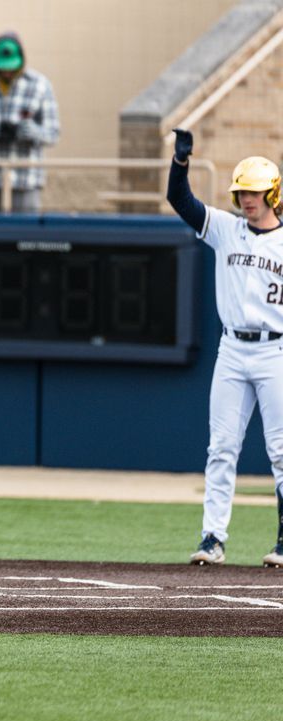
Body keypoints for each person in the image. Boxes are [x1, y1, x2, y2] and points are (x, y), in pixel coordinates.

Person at [167, 129, 283, 567]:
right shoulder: (225, 229)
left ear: (271, 192)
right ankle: (213, 538)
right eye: (241, 192)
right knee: (221, 446)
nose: (246, 199)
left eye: (253, 192)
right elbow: (181, 201)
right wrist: (181, 162)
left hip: (275, 350)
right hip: (232, 350)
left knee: (281, 450)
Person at [0, 32, 59, 213]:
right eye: (2, 68)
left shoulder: (40, 85)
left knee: (26, 235)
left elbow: (53, 133)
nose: (7, 72)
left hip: (26, 176)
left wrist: (32, 131)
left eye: (11, 68)